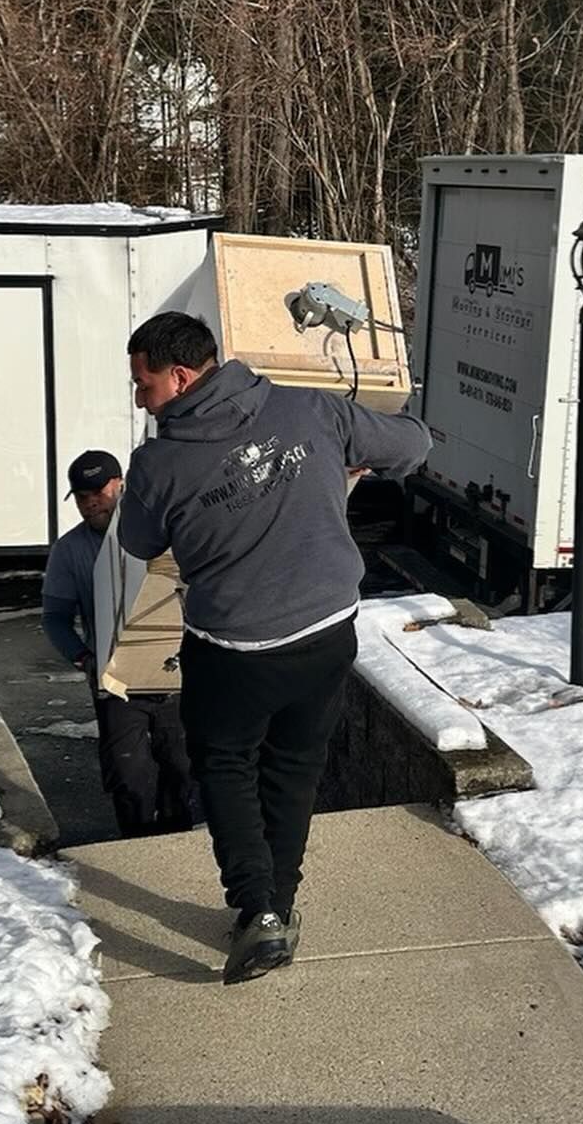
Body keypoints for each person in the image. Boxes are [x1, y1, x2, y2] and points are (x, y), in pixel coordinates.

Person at [117, 311, 431, 985]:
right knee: (294, 768)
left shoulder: (157, 464)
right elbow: (414, 446)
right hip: (325, 632)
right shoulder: (307, 408)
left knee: (226, 765)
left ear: (178, 377)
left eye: (143, 385)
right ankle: (279, 906)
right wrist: (352, 450)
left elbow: (137, 543)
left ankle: (258, 909)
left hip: (233, 649)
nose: (140, 399)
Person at [41, 449, 197, 839]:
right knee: (128, 774)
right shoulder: (69, 550)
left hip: (173, 671)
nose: (90, 502)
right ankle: (136, 846)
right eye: (80, 496)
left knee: (181, 767)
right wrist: (82, 657)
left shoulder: (163, 531)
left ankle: (178, 842)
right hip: (115, 682)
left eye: (98, 492)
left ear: (120, 485)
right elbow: (55, 618)